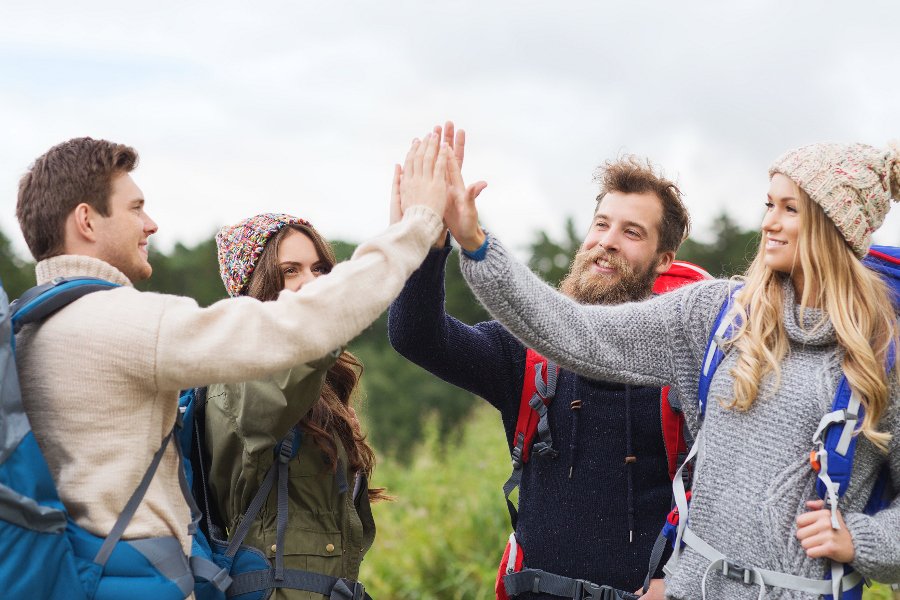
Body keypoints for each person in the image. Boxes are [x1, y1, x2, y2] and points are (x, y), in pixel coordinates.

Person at [443, 141, 900, 599]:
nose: (769, 223)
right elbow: (578, 333)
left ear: (833, 226)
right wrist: (478, 246)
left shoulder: (882, 355)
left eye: (789, 209)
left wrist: (863, 540)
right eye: (768, 205)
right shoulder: (716, 315)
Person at [13, 132, 450, 590]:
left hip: (72, 575)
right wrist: (414, 228)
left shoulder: (27, 328)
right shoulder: (128, 325)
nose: (151, 223)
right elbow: (303, 328)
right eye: (135, 207)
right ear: (86, 220)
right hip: (135, 580)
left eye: (319, 268)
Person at [389, 125, 696, 599]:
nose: (607, 241)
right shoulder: (530, 353)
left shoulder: (689, 362)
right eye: (601, 223)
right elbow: (417, 336)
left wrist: (678, 581)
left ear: (663, 259)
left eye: (631, 232)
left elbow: (723, 495)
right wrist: (425, 241)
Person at [203, 213, 388, 599]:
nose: (313, 282)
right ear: (256, 287)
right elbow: (269, 403)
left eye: (320, 269)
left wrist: (349, 459)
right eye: (291, 270)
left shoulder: (313, 385)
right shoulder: (237, 370)